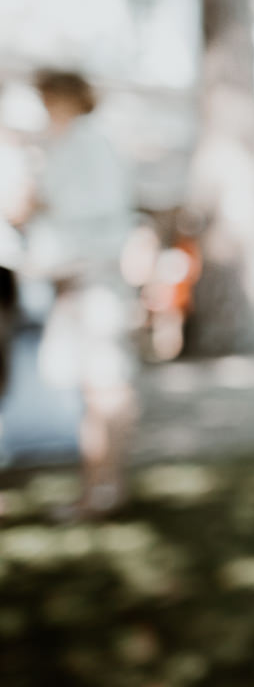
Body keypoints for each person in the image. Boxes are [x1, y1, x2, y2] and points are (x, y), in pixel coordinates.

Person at [26, 70, 138, 518]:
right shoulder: (71, 143)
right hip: (78, 279)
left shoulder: (88, 142)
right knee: (97, 387)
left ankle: (102, 489)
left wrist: (40, 206)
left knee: (104, 386)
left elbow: (99, 213)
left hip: (93, 279)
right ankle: (100, 486)